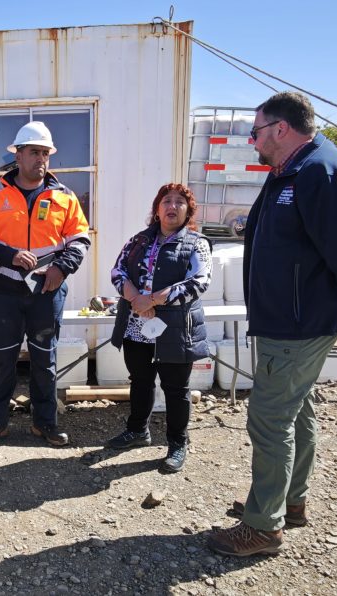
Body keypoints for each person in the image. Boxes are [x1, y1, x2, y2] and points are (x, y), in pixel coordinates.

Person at [207, 92, 337, 557]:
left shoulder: (325, 172)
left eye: (256, 131)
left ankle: (263, 527)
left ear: (281, 129)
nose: (252, 141)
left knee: (269, 418)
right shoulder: (293, 170)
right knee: (297, 409)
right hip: (286, 318)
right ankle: (289, 502)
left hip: (300, 322)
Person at [0, 121, 90, 447]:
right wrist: (10, 256)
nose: (41, 158)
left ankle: (45, 423)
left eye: (45, 153)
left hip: (47, 293)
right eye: (34, 152)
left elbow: (79, 240)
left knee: (44, 361)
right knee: (2, 360)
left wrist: (61, 269)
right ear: (18, 155)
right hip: (5, 292)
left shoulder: (64, 197)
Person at [105, 183, 211, 473]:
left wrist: (151, 299)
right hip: (137, 325)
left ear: (188, 211)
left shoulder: (196, 243)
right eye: (167, 200)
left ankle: (178, 444)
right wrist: (134, 299)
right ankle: (137, 430)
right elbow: (118, 270)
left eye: (180, 202)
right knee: (140, 380)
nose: (172, 206)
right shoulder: (138, 240)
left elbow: (198, 282)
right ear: (157, 208)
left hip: (175, 328)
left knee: (176, 388)